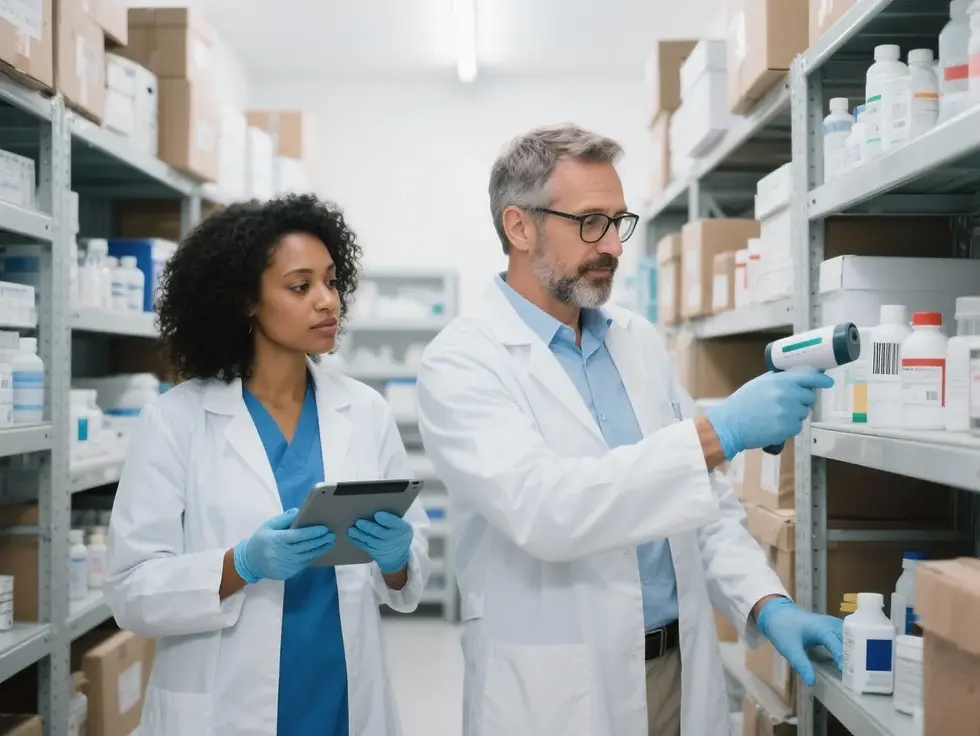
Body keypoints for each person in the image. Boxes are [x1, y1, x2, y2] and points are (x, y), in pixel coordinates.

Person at [416, 124, 843, 736]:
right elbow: (545, 509)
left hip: (678, 669)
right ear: (519, 226)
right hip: (559, 691)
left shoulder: (637, 342)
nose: (613, 245)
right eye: (590, 222)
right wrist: (716, 432)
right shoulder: (462, 362)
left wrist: (764, 602)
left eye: (619, 221)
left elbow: (705, 506)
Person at [104, 195, 431, 736]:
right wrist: (241, 564)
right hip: (225, 704)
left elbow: (404, 575)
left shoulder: (364, 411)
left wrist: (396, 556)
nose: (327, 302)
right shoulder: (176, 420)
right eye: (300, 287)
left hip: (341, 697)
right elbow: (130, 592)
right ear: (245, 301)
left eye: (331, 281)